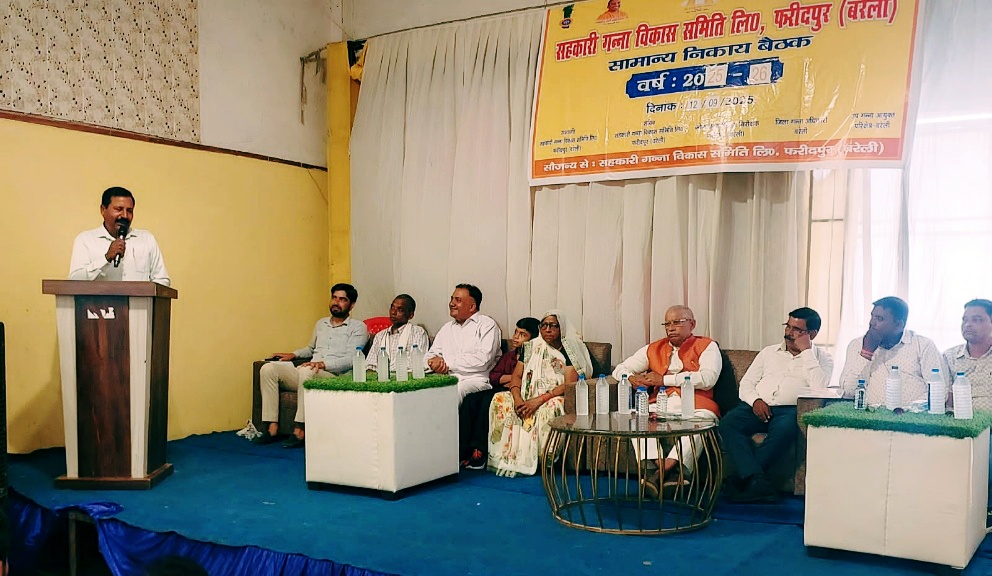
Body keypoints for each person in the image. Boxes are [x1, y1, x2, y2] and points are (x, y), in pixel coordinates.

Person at [720, 308, 834, 503]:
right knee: (727, 423)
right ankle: (757, 481)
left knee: (785, 429)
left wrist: (807, 352)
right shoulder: (768, 352)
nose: (789, 332)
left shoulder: (823, 359)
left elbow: (819, 387)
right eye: (788, 326)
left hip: (789, 411)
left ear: (812, 334)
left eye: (797, 329)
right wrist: (756, 401)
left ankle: (745, 479)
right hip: (755, 405)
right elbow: (747, 383)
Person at [612, 305, 722, 498]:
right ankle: (667, 473)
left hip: (696, 405)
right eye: (667, 324)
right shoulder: (654, 348)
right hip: (660, 404)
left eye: (677, 322)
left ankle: (658, 474)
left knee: (703, 423)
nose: (670, 328)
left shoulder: (707, 346)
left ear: (692, 324)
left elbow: (707, 379)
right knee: (636, 419)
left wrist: (664, 380)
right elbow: (619, 369)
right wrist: (631, 378)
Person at [254, 283, 369, 448]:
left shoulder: (358, 327)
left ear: (352, 305)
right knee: (269, 368)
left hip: (334, 376)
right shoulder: (321, 324)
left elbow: (352, 359)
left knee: (307, 370)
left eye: (342, 299)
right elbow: (310, 349)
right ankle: (271, 428)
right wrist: (293, 354)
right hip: (309, 372)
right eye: (334, 298)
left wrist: (323, 364)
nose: (336, 302)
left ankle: (300, 430)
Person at [489, 310, 593, 477]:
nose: (548, 329)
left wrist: (538, 400)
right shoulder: (531, 347)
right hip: (527, 394)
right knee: (500, 399)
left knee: (551, 407)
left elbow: (569, 385)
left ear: (562, 328)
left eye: (553, 326)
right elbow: (517, 376)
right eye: (544, 325)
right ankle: (505, 454)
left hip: (554, 396)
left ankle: (543, 458)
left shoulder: (569, 350)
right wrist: (517, 398)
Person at [459, 316, 539, 470]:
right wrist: (513, 378)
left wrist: (510, 380)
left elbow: (527, 380)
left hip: (515, 393)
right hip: (500, 388)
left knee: (487, 403)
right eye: (515, 332)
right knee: (470, 400)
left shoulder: (534, 358)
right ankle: (462, 450)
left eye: (522, 335)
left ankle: (480, 451)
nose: (516, 337)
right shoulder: (509, 356)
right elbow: (494, 376)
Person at [943, 299, 992, 525]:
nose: (968, 324)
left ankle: (986, 511)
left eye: (977, 319)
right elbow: (943, 396)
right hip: (959, 426)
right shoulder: (950, 357)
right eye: (965, 320)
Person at [840, 296, 941, 406]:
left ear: (898, 325)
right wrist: (866, 353)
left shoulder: (923, 345)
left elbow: (939, 392)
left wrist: (909, 409)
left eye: (879, 319)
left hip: (913, 415)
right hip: (870, 414)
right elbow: (848, 391)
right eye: (872, 316)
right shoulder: (856, 345)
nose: (872, 323)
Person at [68, 186, 170, 285]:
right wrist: (106, 258)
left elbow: (162, 281)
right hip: (100, 298)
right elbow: (75, 281)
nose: (125, 216)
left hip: (139, 298)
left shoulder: (146, 239)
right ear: (103, 210)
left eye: (129, 211)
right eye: (118, 209)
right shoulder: (86, 240)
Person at [424, 284, 502, 403]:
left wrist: (447, 364)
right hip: (447, 378)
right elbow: (430, 356)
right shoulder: (447, 328)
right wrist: (432, 363)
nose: (451, 303)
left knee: (456, 390)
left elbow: (483, 360)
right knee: (420, 391)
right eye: (452, 299)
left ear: (472, 307)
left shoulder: (487, 325)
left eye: (458, 300)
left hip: (475, 381)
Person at [364, 294, 430, 374]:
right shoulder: (380, 336)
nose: (393, 312)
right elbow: (370, 363)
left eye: (400, 310)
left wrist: (386, 369)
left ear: (410, 315)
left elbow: (417, 362)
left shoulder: (417, 332)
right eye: (392, 308)